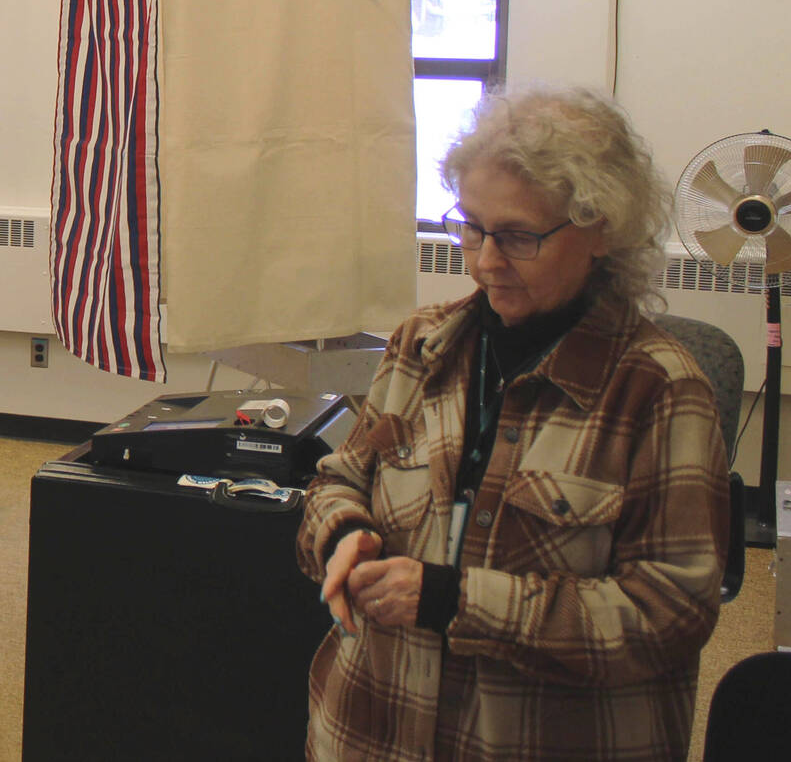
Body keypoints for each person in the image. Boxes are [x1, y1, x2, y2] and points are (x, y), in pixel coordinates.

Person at [296, 87, 730, 761]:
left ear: (601, 230)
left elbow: (668, 614)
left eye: (519, 236)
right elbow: (336, 480)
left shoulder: (660, 390)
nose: (484, 261)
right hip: (371, 726)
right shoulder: (422, 343)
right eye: (471, 226)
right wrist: (344, 533)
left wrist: (452, 599)